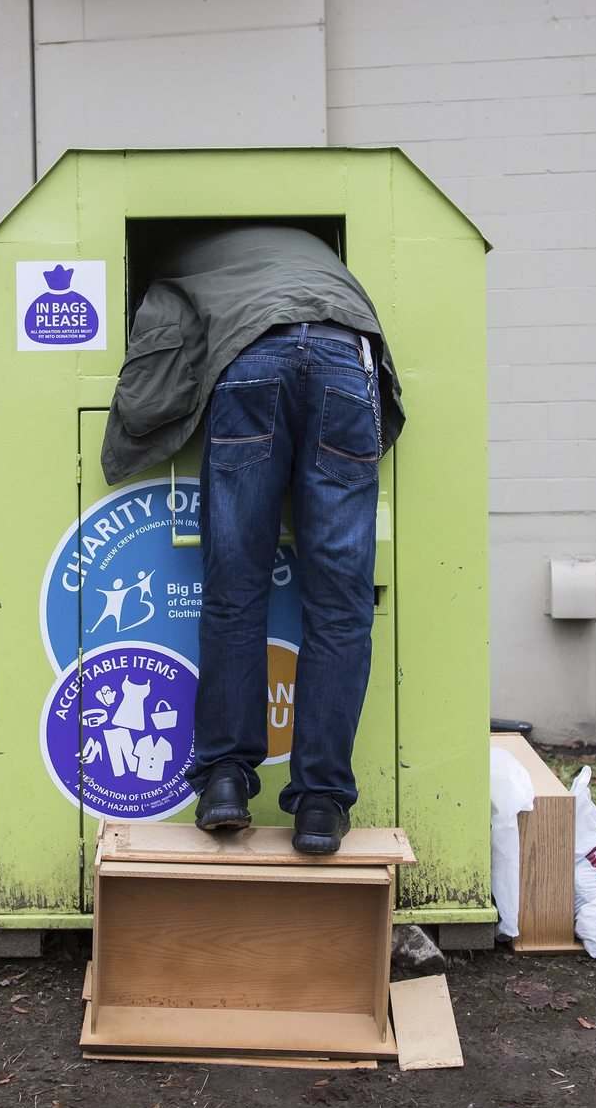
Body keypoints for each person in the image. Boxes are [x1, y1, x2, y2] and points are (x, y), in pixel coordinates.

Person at [102, 224, 405, 854]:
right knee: (341, 605)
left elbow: (152, 365)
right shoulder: (314, 254)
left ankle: (225, 782)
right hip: (347, 357)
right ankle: (320, 806)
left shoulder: (175, 261)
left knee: (235, 588)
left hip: (252, 356)